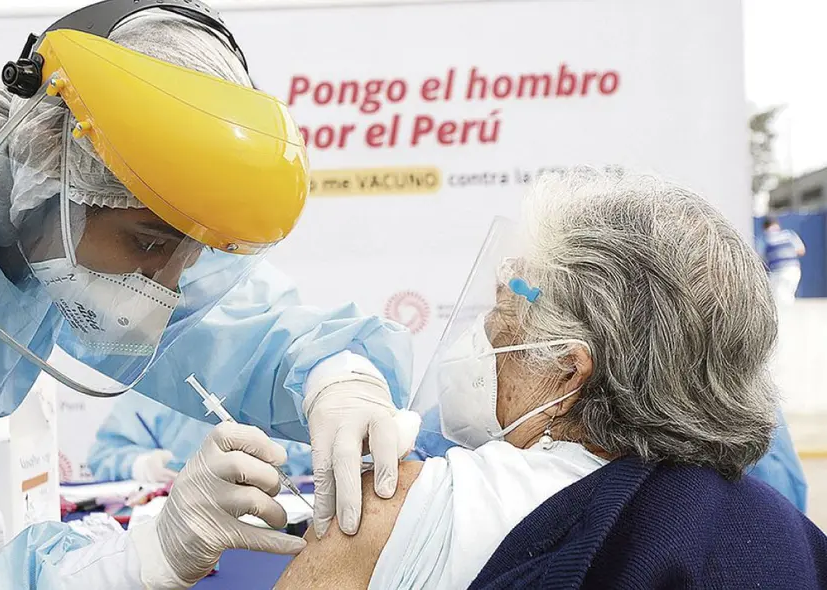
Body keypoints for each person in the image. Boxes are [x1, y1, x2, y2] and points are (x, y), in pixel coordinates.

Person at [0, 3, 420, 588]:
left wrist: (335, 374)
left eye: (192, 253)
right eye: (148, 243)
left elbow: (221, 324)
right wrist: (123, 566)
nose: (166, 287)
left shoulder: (42, 204)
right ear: (53, 168)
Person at [274, 169, 827, 589]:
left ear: (568, 370)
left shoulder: (394, 510)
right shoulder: (787, 538)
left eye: (501, 311)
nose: (484, 333)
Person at [88, 390, 312, 482]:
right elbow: (103, 455)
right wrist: (142, 465)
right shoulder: (154, 390)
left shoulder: (273, 385)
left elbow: (313, 452)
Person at [762, 217, 806, 304]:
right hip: (794, 270)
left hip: (777, 272)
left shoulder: (765, 239)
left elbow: (761, 258)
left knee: (778, 298)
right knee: (788, 295)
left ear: (765, 228)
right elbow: (801, 251)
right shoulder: (789, 235)